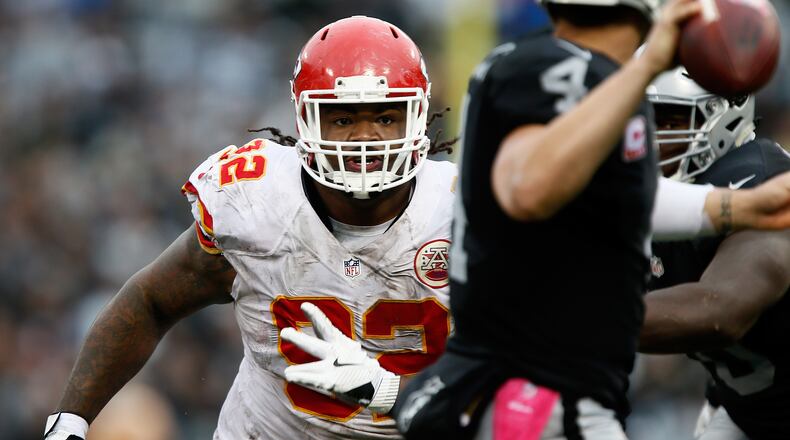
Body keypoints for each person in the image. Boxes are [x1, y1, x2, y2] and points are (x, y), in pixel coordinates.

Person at [275, 0, 790, 439]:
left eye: (671, 119)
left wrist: (734, 207)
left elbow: (635, 210)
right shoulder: (559, 73)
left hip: (507, 376)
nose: (656, 133)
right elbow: (530, 188)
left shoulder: (570, 79)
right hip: (544, 387)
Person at [44, 16, 458, 440]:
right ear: (305, 120)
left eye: (387, 118)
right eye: (343, 118)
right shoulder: (256, 202)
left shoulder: (461, 214)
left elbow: (509, 371)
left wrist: (386, 389)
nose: (365, 137)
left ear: (418, 118)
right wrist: (69, 422)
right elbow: (151, 302)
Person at [640, 67, 790, 440]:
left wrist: (574, 321)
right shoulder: (654, 196)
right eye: (641, 123)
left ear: (721, 118)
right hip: (747, 408)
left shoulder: (762, 183)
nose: (651, 140)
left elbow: (720, 310)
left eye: (669, 121)